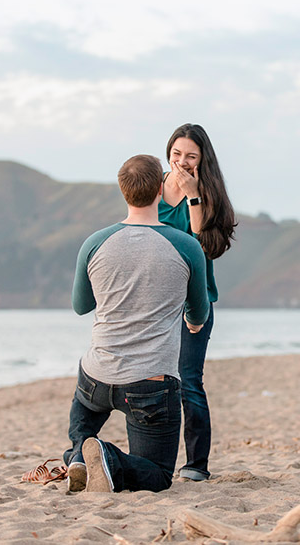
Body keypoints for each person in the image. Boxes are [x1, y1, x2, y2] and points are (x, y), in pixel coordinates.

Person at [63, 154, 210, 493]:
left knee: (82, 426)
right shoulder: (186, 246)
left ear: (123, 191)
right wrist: (189, 320)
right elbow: (198, 314)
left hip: (95, 377)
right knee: (158, 475)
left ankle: (79, 456)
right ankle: (105, 458)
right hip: (150, 385)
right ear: (161, 189)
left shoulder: (94, 243)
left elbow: (80, 306)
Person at [159, 123, 236, 481]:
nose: (182, 162)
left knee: (189, 380)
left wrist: (192, 195)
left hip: (195, 297)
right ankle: (156, 460)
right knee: (155, 381)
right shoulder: (154, 185)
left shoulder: (208, 192)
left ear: (203, 158)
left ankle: (196, 465)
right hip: (156, 299)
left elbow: (202, 244)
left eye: (190, 155)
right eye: (176, 154)